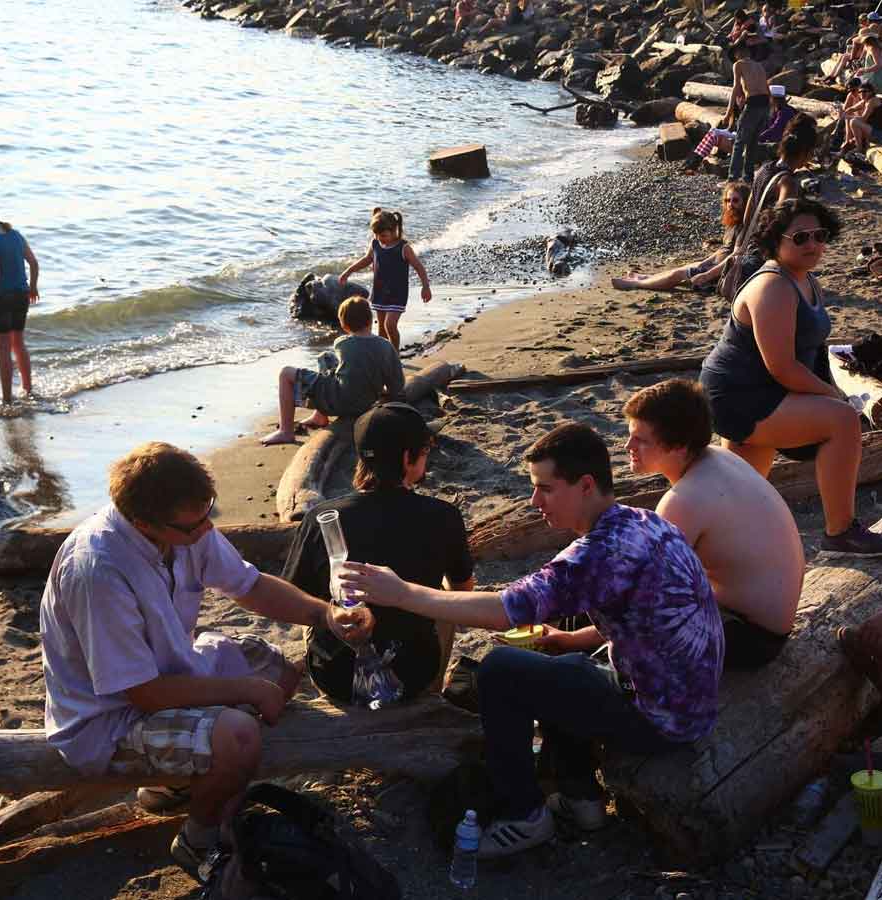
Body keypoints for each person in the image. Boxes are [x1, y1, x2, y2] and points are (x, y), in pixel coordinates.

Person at [340, 423, 724, 859]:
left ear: (585, 485)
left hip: (664, 720)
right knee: (559, 657)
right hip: (687, 695)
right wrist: (574, 639)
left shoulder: (597, 555)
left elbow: (504, 609)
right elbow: (644, 614)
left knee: (503, 670)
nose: (533, 501)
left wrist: (402, 593)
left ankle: (525, 817)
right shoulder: (643, 521)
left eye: (545, 488)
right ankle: (583, 800)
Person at [39, 442, 371, 879]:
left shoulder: (183, 527)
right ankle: (197, 841)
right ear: (142, 522)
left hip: (172, 667)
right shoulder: (99, 571)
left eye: (208, 514)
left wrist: (325, 615)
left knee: (277, 670)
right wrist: (245, 691)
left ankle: (173, 787)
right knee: (239, 736)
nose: (206, 531)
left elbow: (248, 586)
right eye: (193, 526)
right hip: (110, 718)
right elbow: (142, 692)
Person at [701, 198, 882, 555]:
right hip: (739, 394)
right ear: (775, 241)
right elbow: (781, 366)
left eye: (819, 235)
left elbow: (810, 352)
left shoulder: (805, 280)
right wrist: (834, 397)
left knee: (740, 491)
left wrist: (828, 388)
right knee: (843, 422)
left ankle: (715, 552)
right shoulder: (774, 287)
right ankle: (840, 533)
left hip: (763, 389)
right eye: (800, 238)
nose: (812, 244)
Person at [283, 402, 475, 701]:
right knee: (443, 598)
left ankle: (326, 691)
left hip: (336, 676)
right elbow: (463, 591)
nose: (426, 458)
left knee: (320, 600)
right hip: (414, 672)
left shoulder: (321, 516)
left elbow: (292, 598)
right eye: (424, 451)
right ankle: (431, 692)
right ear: (407, 458)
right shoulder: (443, 515)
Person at [622, 379, 804, 668]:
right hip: (762, 621)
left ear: (679, 447)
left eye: (641, 440)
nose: (627, 446)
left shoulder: (684, 499)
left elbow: (644, 596)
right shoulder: (719, 457)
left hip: (749, 638)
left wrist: (578, 637)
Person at [261, 295, 405, 446]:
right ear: (370, 320)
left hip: (338, 402)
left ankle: (286, 431)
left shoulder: (342, 343)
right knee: (327, 357)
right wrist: (382, 392)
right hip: (366, 402)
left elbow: (353, 362)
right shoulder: (386, 345)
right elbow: (397, 384)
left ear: (344, 327)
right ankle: (319, 416)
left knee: (286, 373)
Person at [611, 182, 750, 292]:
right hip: (715, 264)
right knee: (685, 267)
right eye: (727, 200)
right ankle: (648, 278)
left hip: (722, 271)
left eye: (735, 200)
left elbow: (734, 257)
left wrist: (707, 275)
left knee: (677, 275)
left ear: (745, 202)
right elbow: (723, 250)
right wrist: (704, 262)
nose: (730, 205)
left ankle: (637, 284)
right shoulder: (732, 223)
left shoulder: (744, 226)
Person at [338, 208, 432, 353]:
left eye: (383, 235)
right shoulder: (375, 243)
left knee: (390, 325)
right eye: (376, 234)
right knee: (381, 328)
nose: (379, 238)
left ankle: (394, 355)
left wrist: (425, 287)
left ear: (394, 230)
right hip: (379, 292)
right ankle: (383, 356)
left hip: (397, 294)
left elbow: (419, 267)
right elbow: (366, 260)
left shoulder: (403, 248)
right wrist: (348, 271)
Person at [0, 203, 39, 405]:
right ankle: (27, 389)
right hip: (21, 295)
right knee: (19, 343)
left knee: (3, 348)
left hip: (1, 298)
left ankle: (7, 399)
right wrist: (33, 288)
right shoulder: (15, 235)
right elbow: (33, 262)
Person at [721, 40, 770, 183]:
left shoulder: (739, 65)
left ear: (737, 53)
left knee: (739, 142)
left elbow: (736, 87)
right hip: (765, 103)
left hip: (754, 103)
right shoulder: (759, 65)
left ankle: (732, 178)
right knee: (753, 143)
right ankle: (748, 177)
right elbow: (765, 87)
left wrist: (728, 112)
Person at [841, 80, 882, 154]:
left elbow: (863, 118)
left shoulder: (872, 101)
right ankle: (850, 142)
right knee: (850, 119)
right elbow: (852, 108)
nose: (862, 93)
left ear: (871, 92)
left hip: (879, 133)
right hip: (873, 130)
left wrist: (846, 116)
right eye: (860, 92)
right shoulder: (865, 101)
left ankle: (859, 148)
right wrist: (845, 112)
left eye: (865, 91)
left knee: (853, 121)